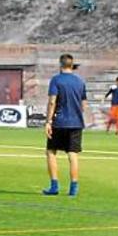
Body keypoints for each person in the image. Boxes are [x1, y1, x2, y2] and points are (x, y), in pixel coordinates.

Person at [43, 53, 87, 197]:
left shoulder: (56, 80)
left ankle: (54, 186)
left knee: (51, 152)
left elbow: (52, 102)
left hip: (59, 122)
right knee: (72, 155)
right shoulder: (80, 82)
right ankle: (73, 188)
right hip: (76, 123)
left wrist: (48, 121)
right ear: (72, 65)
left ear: (60, 65)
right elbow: (84, 105)